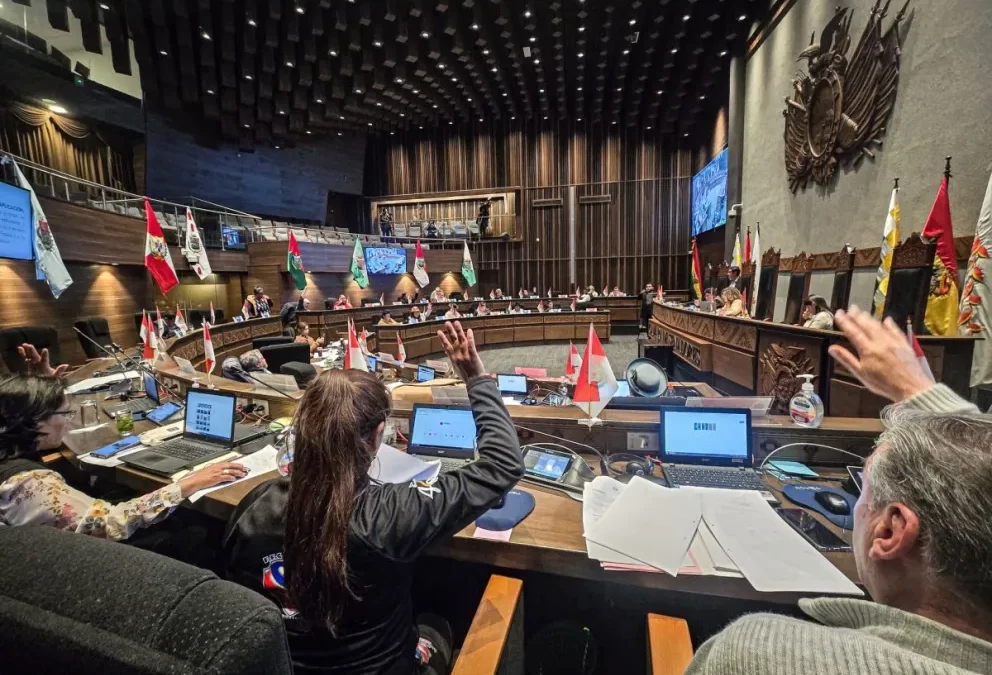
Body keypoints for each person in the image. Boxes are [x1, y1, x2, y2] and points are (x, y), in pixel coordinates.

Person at [684, 306, 990, 675]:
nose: (858, 503)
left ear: (891, 532)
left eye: (864, 491)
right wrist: (917, 392)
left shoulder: (754, 651)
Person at [222, 321, 524, 675]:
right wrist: (476, 377)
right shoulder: (390, 512)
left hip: (288, 666)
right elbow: (502, 464)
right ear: (377, 434)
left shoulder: (253, 507)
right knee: (438, 622)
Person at [0, 345, 247, 540]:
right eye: (65, 414)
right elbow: (108, 523)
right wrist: (187, 484)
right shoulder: (28, 485)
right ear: (35, 422)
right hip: (105, 559)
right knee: (198, 528)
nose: (68, 422)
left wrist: (41, 391)